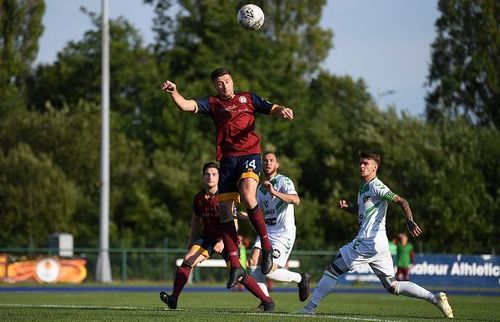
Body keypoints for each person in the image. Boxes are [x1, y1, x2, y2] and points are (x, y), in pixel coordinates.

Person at [162, 68, 294, 289]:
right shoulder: (213, 103)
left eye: (226, 81)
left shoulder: (248, 98)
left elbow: (272, 108)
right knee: (225, 212)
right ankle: (235, 265)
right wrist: (174, 91)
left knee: (247, 193)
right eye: (219, 83)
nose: (224, 85)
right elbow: (185, 105)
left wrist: (282, 110)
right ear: (215, 86)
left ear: (233, 81)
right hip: (228, 162)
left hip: (250, 155)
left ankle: (267, 247)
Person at [300, 151, 454, 319]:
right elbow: (362, 212)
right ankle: (435, 298)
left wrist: (410, 221)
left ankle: (309, 308)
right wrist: (347, 208)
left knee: (333, 270)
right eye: (360, 163)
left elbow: (402, 201)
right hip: (379, 244)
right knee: (392, 286)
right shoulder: (363, 186)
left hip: (368, 241)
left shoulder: (376, 186)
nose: (361, 166)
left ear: (375, 167)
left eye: (365, 163)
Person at [160, 162, 275, 311]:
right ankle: (173, 299)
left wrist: (222, 241)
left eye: (214, 174)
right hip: (208, 238)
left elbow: (234, 222)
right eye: (207, 174)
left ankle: (267, 301)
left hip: (228, 239)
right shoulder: (198, 198)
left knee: (238, 273)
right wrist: (191, 239)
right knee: (188, 260)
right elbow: (196, 219)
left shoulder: (226, 196)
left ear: (219, 177)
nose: (210, 177)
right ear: (202, 177)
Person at [247, 151, 311, 306]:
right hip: (267, 231)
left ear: (277, 165)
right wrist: (235, 214)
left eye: (271, 160)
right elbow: (257, 214)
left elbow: (296, 200)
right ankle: (266, 302)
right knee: (252, 261)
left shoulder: (283, 181)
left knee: (268, 270)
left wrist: (274, 192)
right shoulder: (260, 189)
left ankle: (301, 278)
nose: (267, 163)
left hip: (283, 234)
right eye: (265, 161)